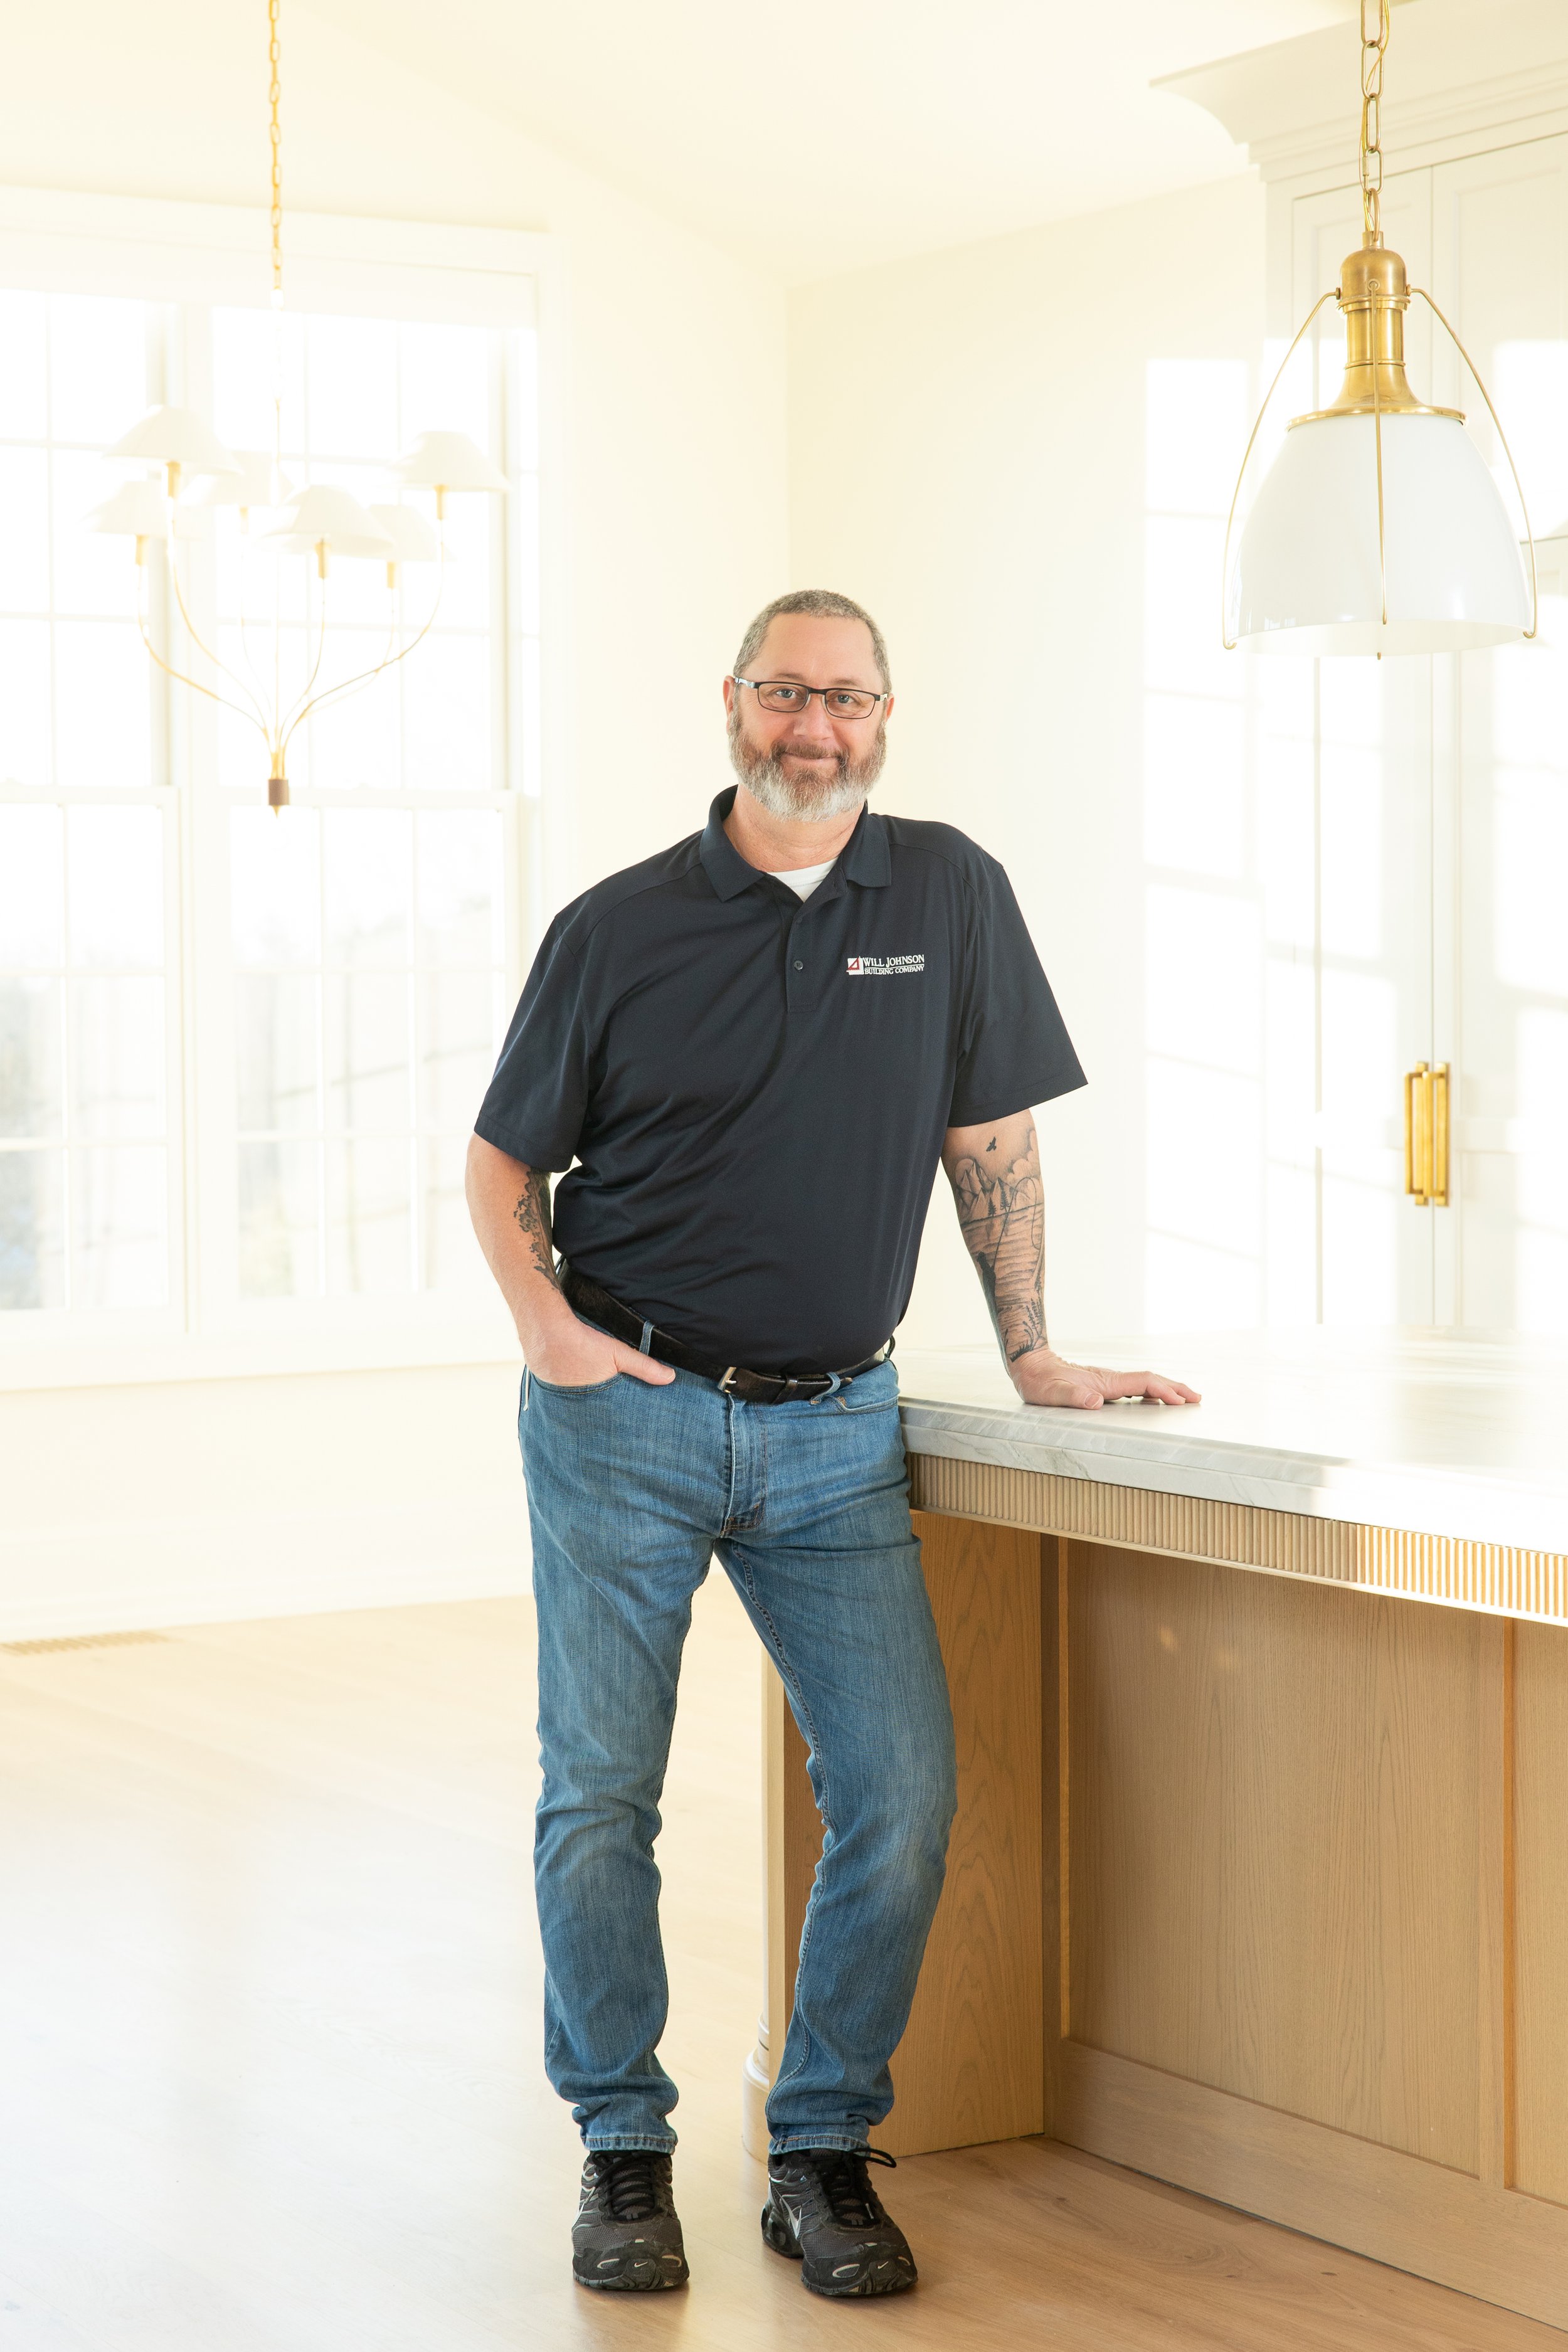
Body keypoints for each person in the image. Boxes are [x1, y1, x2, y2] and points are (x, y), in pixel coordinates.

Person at [465, 588, 1198, 2302]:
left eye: (847, 698)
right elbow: (504, 1161)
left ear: (884, 713)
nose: (816, 726)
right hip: (626, 1423)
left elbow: (988, 1135)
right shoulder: (616, 926)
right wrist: (551, 1336)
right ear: (733, 702)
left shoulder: (947, 891)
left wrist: (1033, 1353)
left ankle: (819, 2147)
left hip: (836, 1434)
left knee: (900, 1794)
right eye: (787, 693)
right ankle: (623, 2149)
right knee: (601, 1796)